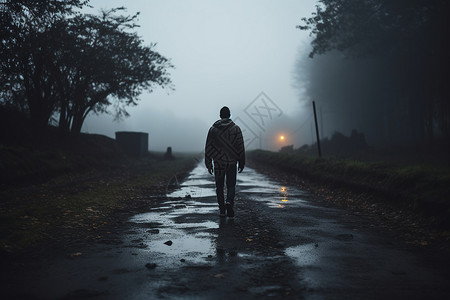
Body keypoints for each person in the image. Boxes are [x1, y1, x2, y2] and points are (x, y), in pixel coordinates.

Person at [205, 106, 245, 218]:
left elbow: (208, 146)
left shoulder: (213, 129)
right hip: (231, 162)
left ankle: (222, 210)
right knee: (231, 185)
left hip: (218, 162)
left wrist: (208, 162)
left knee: (219, 186)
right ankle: (229, 202)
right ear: (230, 115)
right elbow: (240, 146)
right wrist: (241, 161)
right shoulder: (236, 129)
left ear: (220, 115)